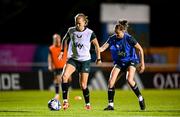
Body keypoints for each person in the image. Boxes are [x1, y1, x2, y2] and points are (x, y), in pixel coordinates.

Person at [58, 13, 101, 110]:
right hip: (73, 59)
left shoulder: (90, 33)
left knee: (83, 85)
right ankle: (65, 102)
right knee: (64, 77)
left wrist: (98, 58)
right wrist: (61, 51)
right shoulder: (71, 30)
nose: (77, 25)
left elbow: (97, 46)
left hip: (85, 61)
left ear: (85, 23)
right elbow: (64, 39)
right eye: (76, 23)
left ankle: (88, 104)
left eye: (79, 23)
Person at [100, 20, 146, 111]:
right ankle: (111, 105)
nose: (117, 35)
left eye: (118, 34)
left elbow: (140, 49)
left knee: (129, 79)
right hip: (120, 62)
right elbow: (102, 48)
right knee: (111, 82)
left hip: (131, 61)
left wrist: (142, 64)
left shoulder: (129, 38)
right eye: (115, 33)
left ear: (123, 31)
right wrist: (95, 47)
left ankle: (140, 98)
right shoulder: (112, 38)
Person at [48, 33, 67, 100]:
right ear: (53, 40)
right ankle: (57, 94)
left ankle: (65, 93)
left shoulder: (64, 47)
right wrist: (50, 65)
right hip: (57, 67)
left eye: (58, 38)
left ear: (60, 39)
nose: (57, 40)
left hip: (65, 66)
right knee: (58, 79)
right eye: (55, 39)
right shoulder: (51, 48)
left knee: (68, 79)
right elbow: (50, 57)